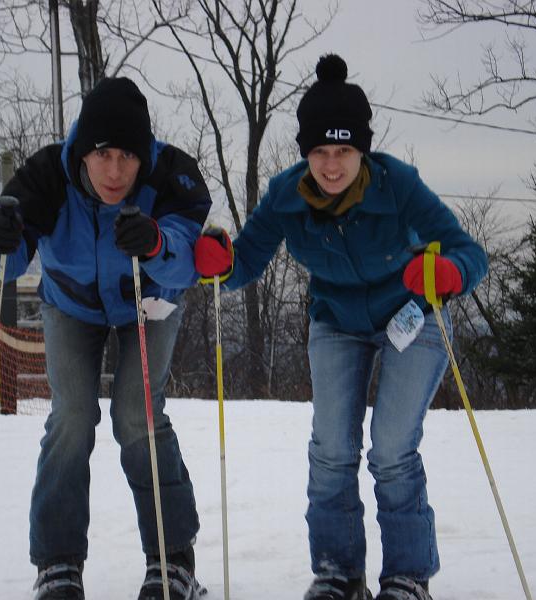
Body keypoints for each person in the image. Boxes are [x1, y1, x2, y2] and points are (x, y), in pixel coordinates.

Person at [194, 54, 488, 600]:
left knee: (392, 448)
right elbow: (247, 260)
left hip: (411, 316)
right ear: (306, 153)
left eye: (345, 151)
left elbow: (472, 253)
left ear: (363, 150)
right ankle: (337, 573)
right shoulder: (286, 194)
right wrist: (218, 264)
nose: (332, 165)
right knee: (331, 449)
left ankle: (407, 577)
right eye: (321, 152)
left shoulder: (398, 184)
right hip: (336, 321)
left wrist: (448, 272)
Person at [0, 76, 211, 600]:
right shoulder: (47, 177)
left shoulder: (171, 176)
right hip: (70, 304)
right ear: (83, 151)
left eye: (127, 156)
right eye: (103, 154)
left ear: (144, 156)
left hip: (148, 298)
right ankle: (58, 562)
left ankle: (172, 559)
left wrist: (157, 242)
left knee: (138, 416)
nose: (115, 171)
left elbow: (189, 261)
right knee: (72, 417)